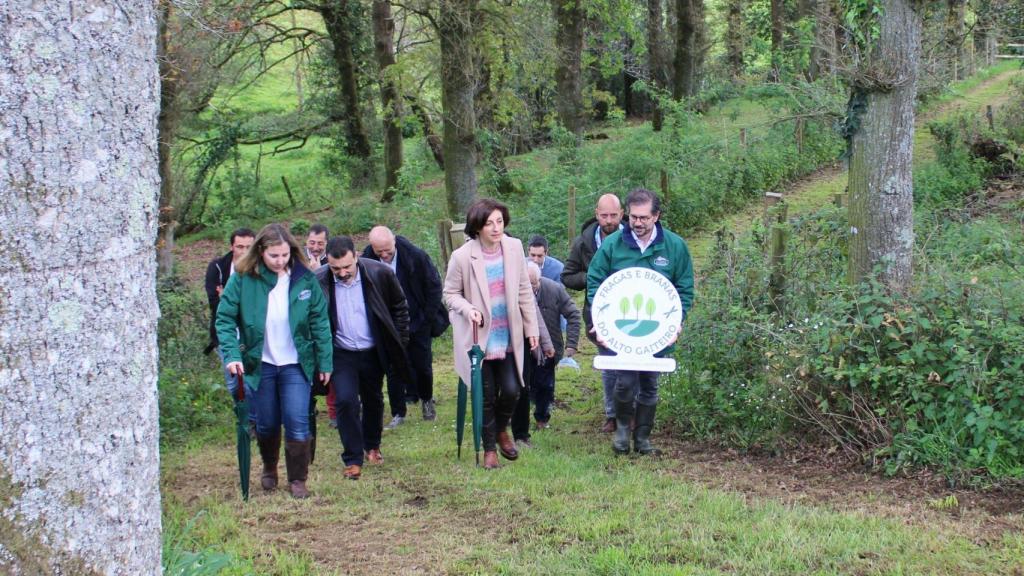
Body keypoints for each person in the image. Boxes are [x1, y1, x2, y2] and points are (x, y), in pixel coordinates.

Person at [215, 223, 333, 498]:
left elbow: (320, 322)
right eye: (274, 256)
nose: (280, 261)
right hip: (261, 363)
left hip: (295, 362)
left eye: (285, 255)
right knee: (266, 422)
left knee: (297, 419)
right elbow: (224, 318)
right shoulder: (243, 279)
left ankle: (298, 479)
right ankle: (269, 466)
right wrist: (232, 354)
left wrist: (325, 361)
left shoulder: (305, 279)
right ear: (260, 252)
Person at [586, 189, 693, 456]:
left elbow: (684, 289)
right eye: (633, 217)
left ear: (656, 216)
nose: (638, 223)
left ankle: (643, 438)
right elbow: (595, 282)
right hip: (621, 332)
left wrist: (677, 323)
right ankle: (622, 432)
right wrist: (600, 320)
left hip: (657, 331)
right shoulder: (613, 245)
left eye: (644, 217)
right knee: (624, 380)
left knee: (648, 383)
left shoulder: (675, 247)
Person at [444, 198, 539, 469]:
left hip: (508, 334)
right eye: (489, 224)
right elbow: (449, 294)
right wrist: (467, 308)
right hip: (478, 339)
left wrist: (531, 329)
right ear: (477, 227)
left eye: (499, 222)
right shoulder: (462, 257)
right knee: (485, 394)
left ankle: (500, 429)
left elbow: (523, 290)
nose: (496, 228)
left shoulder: (514, 247)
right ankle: (489, 449)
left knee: (512, 390)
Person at [317, 236, 410, 481]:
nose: (342, 272)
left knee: (373, 399)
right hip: (341, 351)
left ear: (356, 256)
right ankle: (353, 458)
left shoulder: (379, 273)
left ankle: (372, 445)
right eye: (336, 268)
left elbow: (400, 307)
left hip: (373, 348)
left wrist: (398, 342)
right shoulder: (319, 280)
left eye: (347, 266)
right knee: (346, 401)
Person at [362, 226, 447, 428]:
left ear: (394, 241)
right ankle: (398, 412)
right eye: (379, 251)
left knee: (422, 364)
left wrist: (426, 320)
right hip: (388, 322)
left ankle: (427, 401)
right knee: (393, 368)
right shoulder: (366, 260)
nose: (384, 255)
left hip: (417, 318)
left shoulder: (415, 256)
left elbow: (434, 287)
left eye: (387, 250)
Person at [561, 193, 625, 433]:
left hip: (631, 309)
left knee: (631, 364)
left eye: (613, 215)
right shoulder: (584, 242)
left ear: (621, 214)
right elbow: (567, 276)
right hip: (598, 312)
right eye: (604, 215)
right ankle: (612, 415)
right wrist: (593, 277)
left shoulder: (635, 236)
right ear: (596, 214)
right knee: (609, 364)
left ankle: (631, 412)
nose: (608, 220)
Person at [203, 227, 255, 387]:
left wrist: (227, 297)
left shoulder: (263, 268)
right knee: (234, 384)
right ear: (232, 247)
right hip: (227, 333)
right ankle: (241, 410)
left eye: (249, 247)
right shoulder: (218, 268)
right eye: (240, 247)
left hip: (254, 333)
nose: (245, 251)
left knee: (251, 383)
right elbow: (215, 303)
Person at [511, 262, 555, 448]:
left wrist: (546, 343)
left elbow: (533, 313)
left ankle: (521, 435)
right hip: (493, 340)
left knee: (522, 386)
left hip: (521, 341)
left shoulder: (520, 280)